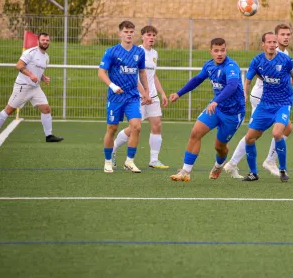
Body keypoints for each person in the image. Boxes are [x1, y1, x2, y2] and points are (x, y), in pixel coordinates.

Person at [224, 23, 293, 178]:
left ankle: (262, 161)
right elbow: (261, 73)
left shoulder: (285, 54)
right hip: (261, 96)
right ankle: (236, 162)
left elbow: (281, 77)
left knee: (284, 129)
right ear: (274, 37)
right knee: (256, 134)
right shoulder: (271, 51)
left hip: (276, 99)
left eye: (288, 34)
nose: (286, 37)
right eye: (282, 34)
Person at [169, 38, 246, 182]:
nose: (219, 54)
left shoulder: (231, 66)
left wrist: (216, 101)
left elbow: (232, 86)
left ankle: (218, 165)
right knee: (195, 133)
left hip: (233, 113)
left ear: (226, 50)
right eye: (216, 51)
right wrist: (178, 93)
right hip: (215, 109)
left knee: (219, 146)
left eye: (222, 50)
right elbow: (197, 80)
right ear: (210, 52)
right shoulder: (209, 66)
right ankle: (185, 171)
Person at [0, 33, 63, 143]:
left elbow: (37, 71)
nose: (45, 42)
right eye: (43, 40)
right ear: (38, 41)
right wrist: (30, 75)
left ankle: (49, 136)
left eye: (47, 40)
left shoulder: (46, 57)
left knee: (46, 109)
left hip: (35, 88)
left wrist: (43, 78)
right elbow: (18, 65)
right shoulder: (30, 52)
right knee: (9, 110)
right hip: (23, 87)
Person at [112, 25, 169, 169]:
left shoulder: (155, 53)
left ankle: (154, 160)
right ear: (142, 36)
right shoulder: (136, 52)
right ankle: (112, 149)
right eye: (149, 35)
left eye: (154, 35)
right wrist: (144, 94)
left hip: (152, 95)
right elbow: (134, 77)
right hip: (138, 96)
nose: (151, 38)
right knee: (133, 128)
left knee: (157, 125)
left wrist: (162, 93)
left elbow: (153, 75)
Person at [98, 20, 151, 174]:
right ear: (120, 33)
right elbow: (101, 72)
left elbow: (141, 72)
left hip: (132, 97)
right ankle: (108, 161)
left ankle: (129, 161)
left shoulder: (139, 52)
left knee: (137, 126)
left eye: (131, 32)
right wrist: (113, 86)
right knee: (112, 129)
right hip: (115, 98)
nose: (129, 35)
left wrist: (146, 92)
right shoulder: (111, 51)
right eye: (126, 32)